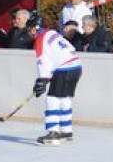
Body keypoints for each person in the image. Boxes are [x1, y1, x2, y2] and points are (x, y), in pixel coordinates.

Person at [27, 14, 82, 146]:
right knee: (64, 98)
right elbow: (56, 56)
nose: (29, 32)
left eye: (30, 29)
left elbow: (43, 61)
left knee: (52, 99)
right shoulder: (52, 33)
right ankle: (66, 130)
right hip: (76, 66)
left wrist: (42, 79)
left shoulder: (40, 39)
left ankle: (53, 133)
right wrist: (47, 77)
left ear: (35, 29)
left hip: (65, 68)